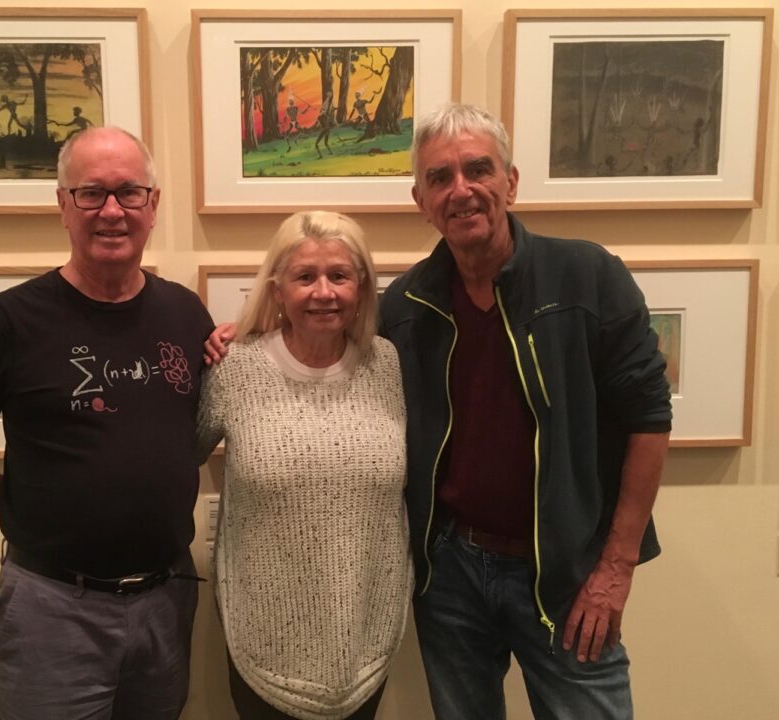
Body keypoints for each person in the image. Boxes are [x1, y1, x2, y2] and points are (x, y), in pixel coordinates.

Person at [378, 103, 672, 719]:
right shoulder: (407, 305)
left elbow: (650, 419)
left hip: (567, 572)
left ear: (510, 182)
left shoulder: (589, 276)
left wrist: (615, 567)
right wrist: (241, 334)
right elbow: (325, 343)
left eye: (477, 169)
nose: (461, 190)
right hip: (451, 573)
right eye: (439, 178)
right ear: (420, 200)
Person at [0, 126, 214, 720]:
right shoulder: (7, 321)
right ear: (62, 205)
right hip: (54, 608)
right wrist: (29, 500)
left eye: (129, 192)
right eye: (90, 193)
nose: (111, 211)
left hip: (166, 601)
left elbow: (186, 437)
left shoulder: (185, 311)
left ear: (153, 205)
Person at [197, 211, 412, 720]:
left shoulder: (387, 365)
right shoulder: (234, 367)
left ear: (361, 287)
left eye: (339, 276)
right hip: (263, 640)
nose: (323, 292)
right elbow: (176, 456)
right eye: (305, 277)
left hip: (365, 638)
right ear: (277, 289)